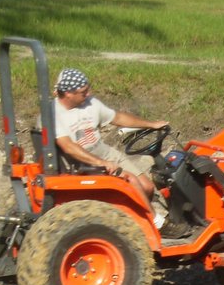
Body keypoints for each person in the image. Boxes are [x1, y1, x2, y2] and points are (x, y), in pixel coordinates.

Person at [53, 68, 170, 228]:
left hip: (104, 151)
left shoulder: (90, 103)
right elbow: (69, 147)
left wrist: (151, 124)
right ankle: (158, 225)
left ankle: (139, 224)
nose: (88, 94)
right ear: (68, 93)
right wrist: (102, 163)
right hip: (82, 162)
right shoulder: (54, 114)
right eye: (83, 92)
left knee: (147, 187)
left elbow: (118, 117)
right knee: (132, 181)